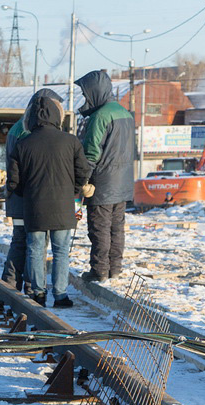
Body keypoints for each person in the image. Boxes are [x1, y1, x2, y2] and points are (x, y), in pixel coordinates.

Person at [7, 95, 93, 308]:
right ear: (57, 116)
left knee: (35, 249)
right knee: (61, 250)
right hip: (63, 206)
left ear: (32, 117)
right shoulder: (70, 141)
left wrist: (27, 193)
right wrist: (72, 190)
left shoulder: (23, 143)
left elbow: (13, 181)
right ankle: (61, 295)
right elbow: (83, 171)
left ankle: (38, 294)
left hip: (34, 207)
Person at [2, 88, 65, 292]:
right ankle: (26, 287)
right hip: (27, 197)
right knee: (30, 243)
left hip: (20, 196)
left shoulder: (18, 128)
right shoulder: (28, 131)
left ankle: (11, 286)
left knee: (22, 241)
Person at [75, 70, 136, 282]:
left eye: (85, 94)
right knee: (116, 228)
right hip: (123, 182)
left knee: (99, 229)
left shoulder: (99, 117)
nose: (85, 99)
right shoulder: (125, 113)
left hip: (102, 183)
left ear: (95, 91)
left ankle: (99, 270)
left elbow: (91, 153)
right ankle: (115, 269)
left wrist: (82, 180)